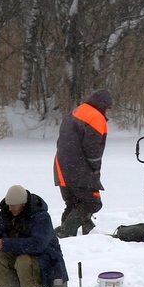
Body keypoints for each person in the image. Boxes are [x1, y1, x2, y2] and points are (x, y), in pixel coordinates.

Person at [0, 185, 69, 287]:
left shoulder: (41, 217)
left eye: (14, 206)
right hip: (20, 259)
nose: (10, 208)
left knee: (23, 261)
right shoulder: (8, 215)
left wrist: (7, 244)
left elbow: (37, 245)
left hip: (46, 264)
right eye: (9, 205)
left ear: (23, 204)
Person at [52, 89, 112, 238]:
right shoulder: (96, 117)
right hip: (78, 168)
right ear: (102, 105)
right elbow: (92, 148)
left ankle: (84, 232)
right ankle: (65, 233)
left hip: (61, 165)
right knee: (92, 203)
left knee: (72, 203)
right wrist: (95, 169)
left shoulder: (76, 111)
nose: (107, 112)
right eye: (107, 108)